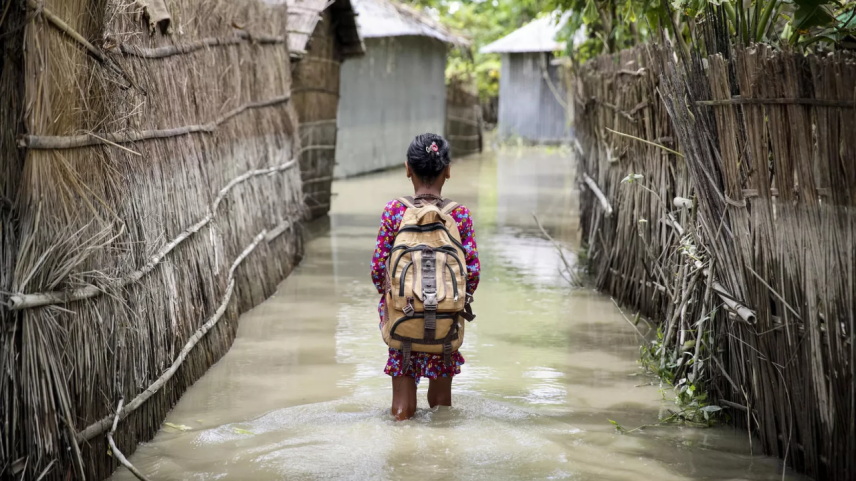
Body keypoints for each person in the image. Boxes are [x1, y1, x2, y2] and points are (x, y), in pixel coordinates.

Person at [370, 133, 480, 421]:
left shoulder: (395, 212)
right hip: (445, 322)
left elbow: (377, 270)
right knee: (442, 408)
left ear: (408, 169)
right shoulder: (460, 216)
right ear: (448, 170)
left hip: (402, 318)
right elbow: (473, 274)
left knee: (402, 409)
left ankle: (401, 451)